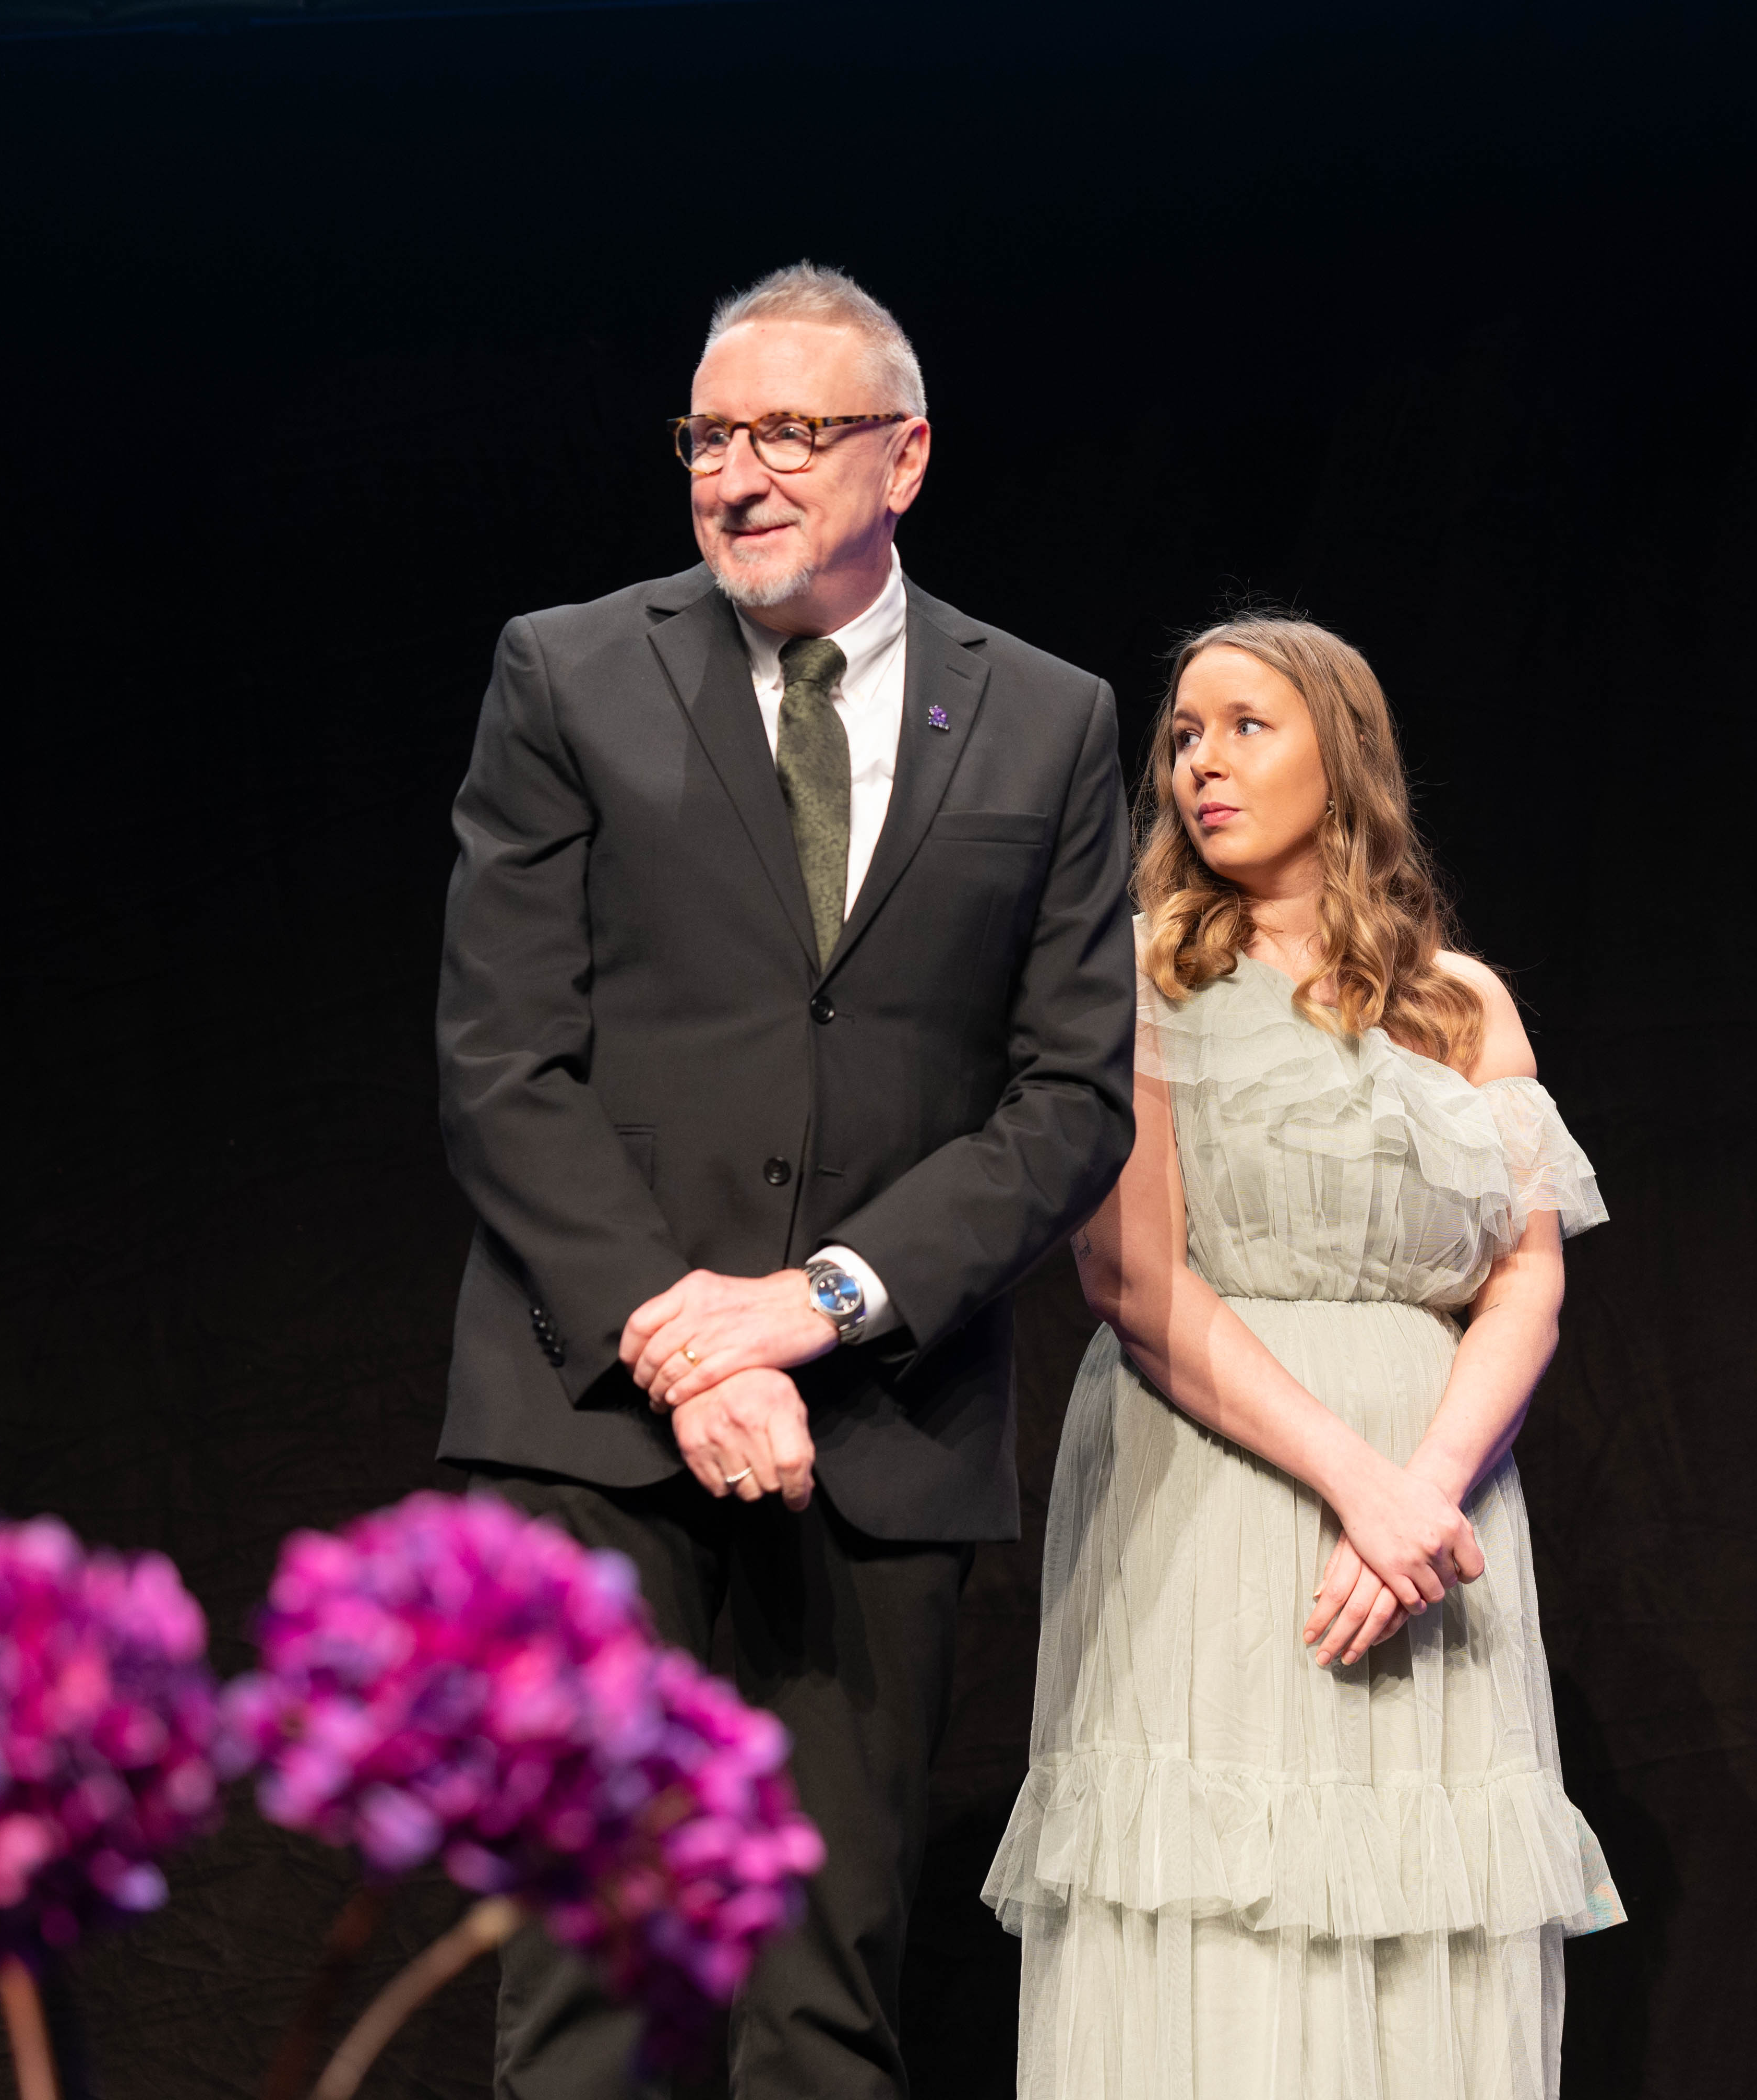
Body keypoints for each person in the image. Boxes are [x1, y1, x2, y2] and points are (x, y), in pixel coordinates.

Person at [433, 261, 1137, 2098]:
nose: (737, 473)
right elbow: (503, 1058)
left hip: (883, 1424)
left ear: (902, 458)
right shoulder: (569, 668)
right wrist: (688, 1333)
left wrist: (817, 1306)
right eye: (709, 436)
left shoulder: (1051, 720)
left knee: (826, 1995)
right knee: (585, 1982)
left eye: (788, 434)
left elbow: (1071, 1100)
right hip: (597, 1406)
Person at [983, 617, 1623, 2098]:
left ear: (1345, 757)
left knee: (1410, 1905)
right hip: (1220, 1489)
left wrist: (1427, 1490)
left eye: (1245, 726)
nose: (1200, 761)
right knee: (1222, 1907)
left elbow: (1527, 1284)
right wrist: (1361, 1485)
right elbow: (1133, 1277)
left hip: (1437, 1515)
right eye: (1183, 735)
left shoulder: (1461, 1003)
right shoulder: (1139, 977)